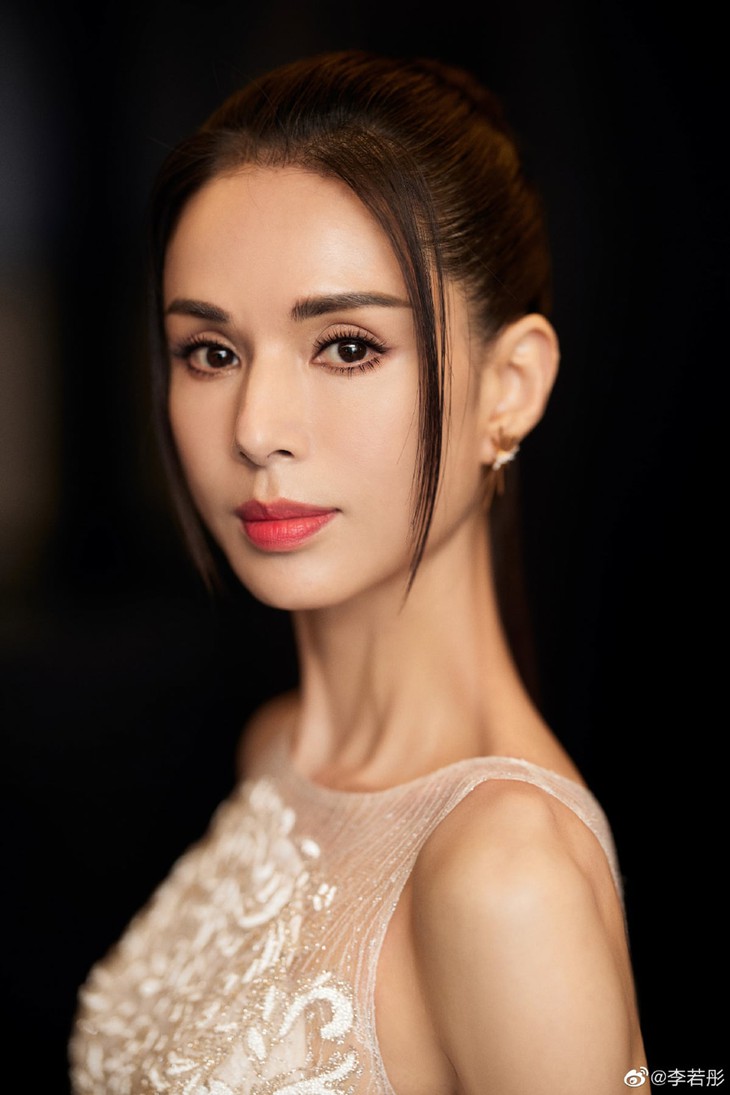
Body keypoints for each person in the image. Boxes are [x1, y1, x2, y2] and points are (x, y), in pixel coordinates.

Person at [69, 49, 649, 1094]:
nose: (256, 428)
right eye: (210, 352)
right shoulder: (277, 750)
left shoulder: (502, 873)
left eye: (345, 346)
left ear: (510, 387)